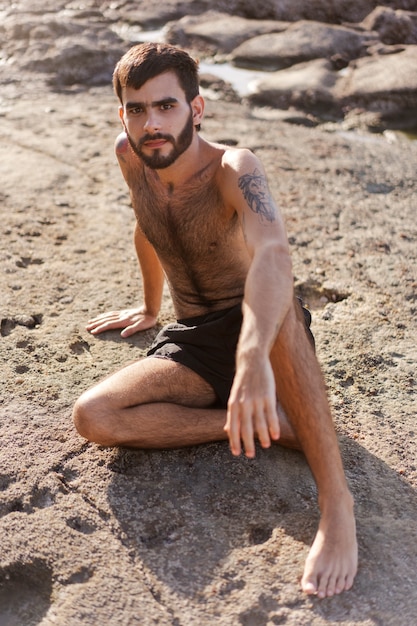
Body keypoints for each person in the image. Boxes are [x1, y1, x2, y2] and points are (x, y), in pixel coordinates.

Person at [73, 42, 357, 599]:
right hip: (195, 344)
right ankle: (270, 427)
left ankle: (337, 506)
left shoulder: (234, 167)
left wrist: (252, 357)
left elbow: (273, 255)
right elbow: (147, 221)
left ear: (196, 109)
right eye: (136, 109)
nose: (151, 123)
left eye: (166, 106)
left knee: (279, 313)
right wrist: (152, 307)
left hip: (262, 327)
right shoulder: (131, 156)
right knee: (95, 417)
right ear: (123, 114)